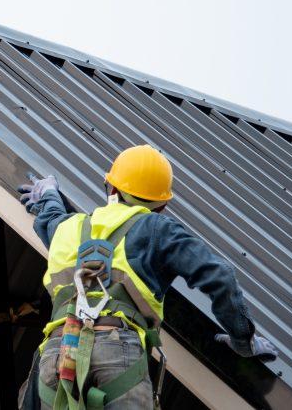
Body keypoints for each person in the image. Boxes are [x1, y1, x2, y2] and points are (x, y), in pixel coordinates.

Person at [18, 144, 278, 409]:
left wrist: (49, 194)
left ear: (111, 188)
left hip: (59, 355)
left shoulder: (67, 228)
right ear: (162, 205)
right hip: (117, 353)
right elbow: (220, 275)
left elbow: (50, 218)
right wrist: (243, 340)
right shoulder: (158, 229)